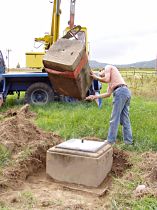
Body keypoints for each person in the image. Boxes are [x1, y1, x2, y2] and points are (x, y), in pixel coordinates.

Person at [86, 65, 133, 145]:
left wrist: (96, 77)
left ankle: (110, 141)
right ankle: (128, 142)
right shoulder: (113, 82)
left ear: (102, 69)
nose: (101, 76)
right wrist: (95, 97)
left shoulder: (108, 67)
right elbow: (108, 94)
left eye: (102, 74)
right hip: (125, 92)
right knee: (125, 119)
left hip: (120, 92)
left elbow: (106, 79)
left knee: (114, 118)